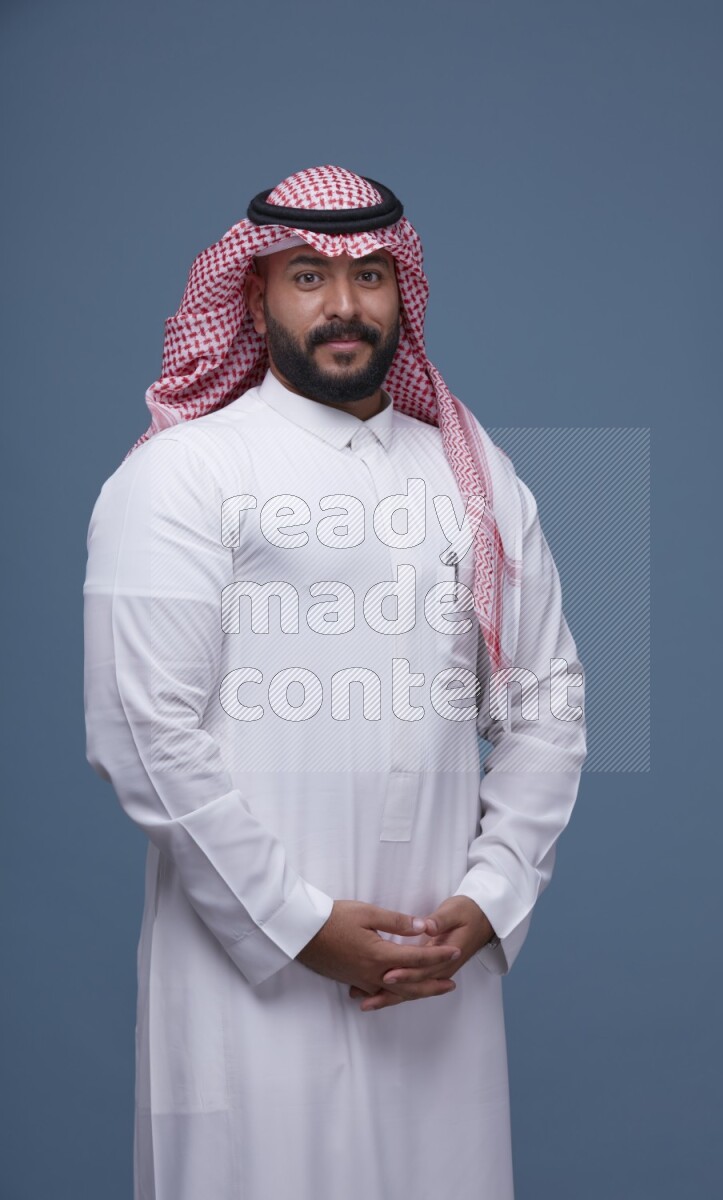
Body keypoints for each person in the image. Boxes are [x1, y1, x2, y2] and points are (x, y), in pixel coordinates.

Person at [83, 164, 587, 1200]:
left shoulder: (476, 474)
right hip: (251, 978)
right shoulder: (185, 473)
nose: (343, 305)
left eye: (368, 276)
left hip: (433, 980)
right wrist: (300, 925)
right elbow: (141, 731)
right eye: (308, 277)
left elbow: (548, 699)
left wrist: (489, 898)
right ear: (255, 293)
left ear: (404, 291)